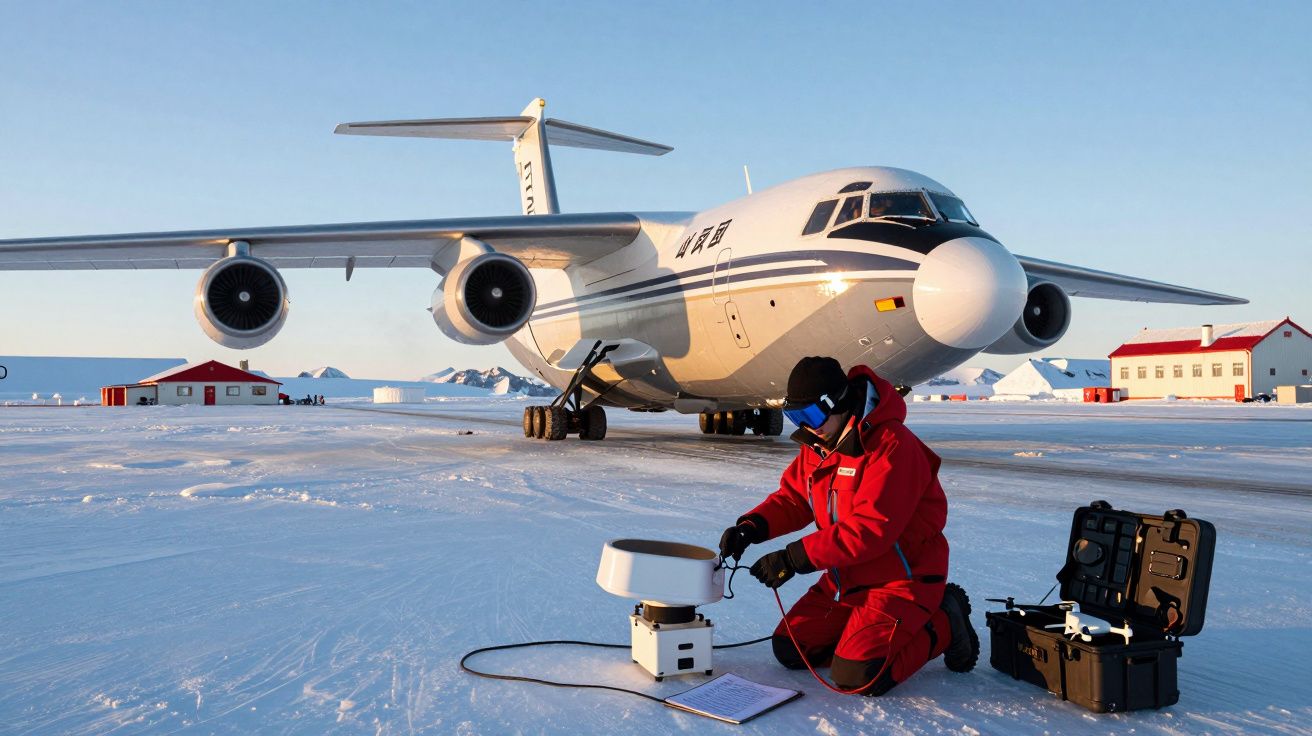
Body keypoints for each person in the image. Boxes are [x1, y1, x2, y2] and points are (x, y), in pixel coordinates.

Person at [719, 356, 979, 695]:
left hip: (902, 580)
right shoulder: (821, 444)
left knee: (858, 675)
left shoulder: (892, 447)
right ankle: (866, 630)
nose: (806, 426)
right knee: (792, 648)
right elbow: (795, 499)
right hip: (847, 578)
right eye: (795, 417)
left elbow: (869, 530)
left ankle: (945, 618)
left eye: (810, 415)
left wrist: (793, 558)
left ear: (838, 402)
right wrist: (752, 527)